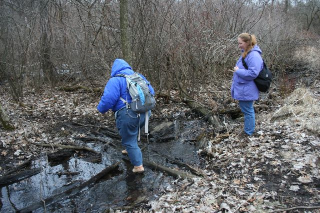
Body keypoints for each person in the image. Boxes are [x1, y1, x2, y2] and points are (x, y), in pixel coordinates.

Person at [97, 59, 155, 173]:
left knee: (129, 139)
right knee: (133, 131)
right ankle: (130, 150)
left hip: (129, 114)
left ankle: (138, 166)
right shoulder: (139, 76)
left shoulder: (115, 80)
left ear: (114, 69)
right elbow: (151, 92)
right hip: (146, 112)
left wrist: (100, 109)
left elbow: (108, 99)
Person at [231, 33, 263, 137]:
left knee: (248, 110)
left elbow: (253, 73)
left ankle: (249, 132)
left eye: (240, 43)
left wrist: (238, 71)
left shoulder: (254, 55)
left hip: (247, 88)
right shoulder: (247, 53)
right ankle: (248, 130)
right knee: (246, 109)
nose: (239, 45)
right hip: (244, 87)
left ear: (247, 42)